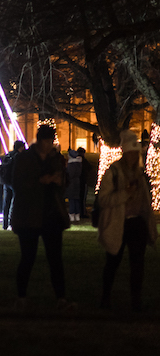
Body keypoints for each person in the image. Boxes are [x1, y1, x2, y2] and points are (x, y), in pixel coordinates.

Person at [11, 124, 71, 311]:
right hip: (29, 215)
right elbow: (17, 183)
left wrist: (59, 180)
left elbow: (64, 180)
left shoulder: (55, 158)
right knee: (28, 257)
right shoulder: (24, 159)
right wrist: (40, 181)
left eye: (50, 141)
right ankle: (21, 296)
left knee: (55, 259)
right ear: (39, 141)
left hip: (51, 214)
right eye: (45, 141)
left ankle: (60, 297)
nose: (48, 145)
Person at [96, 130, 157, 312]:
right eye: (132, 154)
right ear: (125, 153)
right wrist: (125, 194)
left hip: (136, 223)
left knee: (137, 264)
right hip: (119, 222)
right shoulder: (113, 172)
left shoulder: (139, 173)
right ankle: (106, 298)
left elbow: (145, 200)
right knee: (113, 262)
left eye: (136, 154)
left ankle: (135, 301)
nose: (134, 157)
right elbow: (103, 200)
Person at [0, 139, 25, 229]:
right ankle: (11, 223)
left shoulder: (8, 155)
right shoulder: (19, 156)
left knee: (6, 203)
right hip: (14, 181)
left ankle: (5, 224)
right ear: (20, 147)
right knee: (14, 202)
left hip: (6, 181)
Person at [65, 148, 83, 223]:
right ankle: (77, 214)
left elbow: (70, 174)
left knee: (71, 199)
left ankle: (72, 214)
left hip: (71, 183)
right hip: (77, 182)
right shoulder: (79, 164)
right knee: (76, 199)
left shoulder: (71, 164)